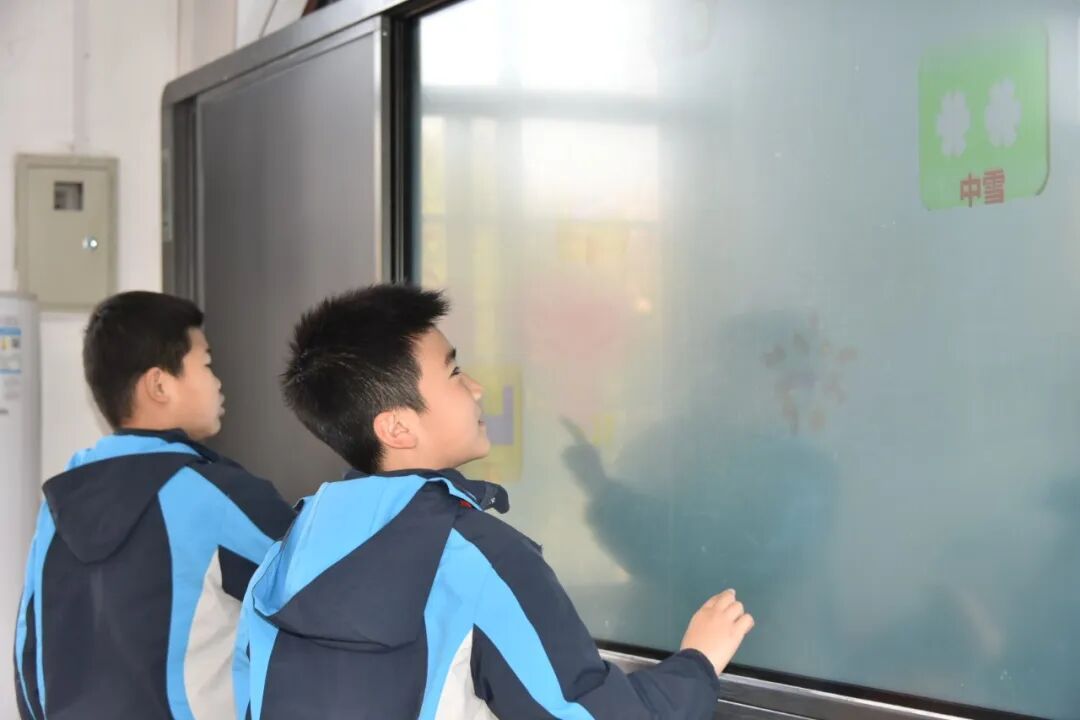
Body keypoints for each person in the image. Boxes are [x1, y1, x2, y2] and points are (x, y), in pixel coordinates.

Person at [236, 284, 754, 719]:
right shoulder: (478, 558)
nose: (478, 388)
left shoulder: (287, 552)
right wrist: (697, 663)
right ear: (396, 428)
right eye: (454, 373)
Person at [15, 291, 295, 719]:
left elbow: (28, 660)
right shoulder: (215, 495)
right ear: (159, 385)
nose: (218, 382)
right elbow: (317, 592)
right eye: (206, 364)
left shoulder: (57, 507)